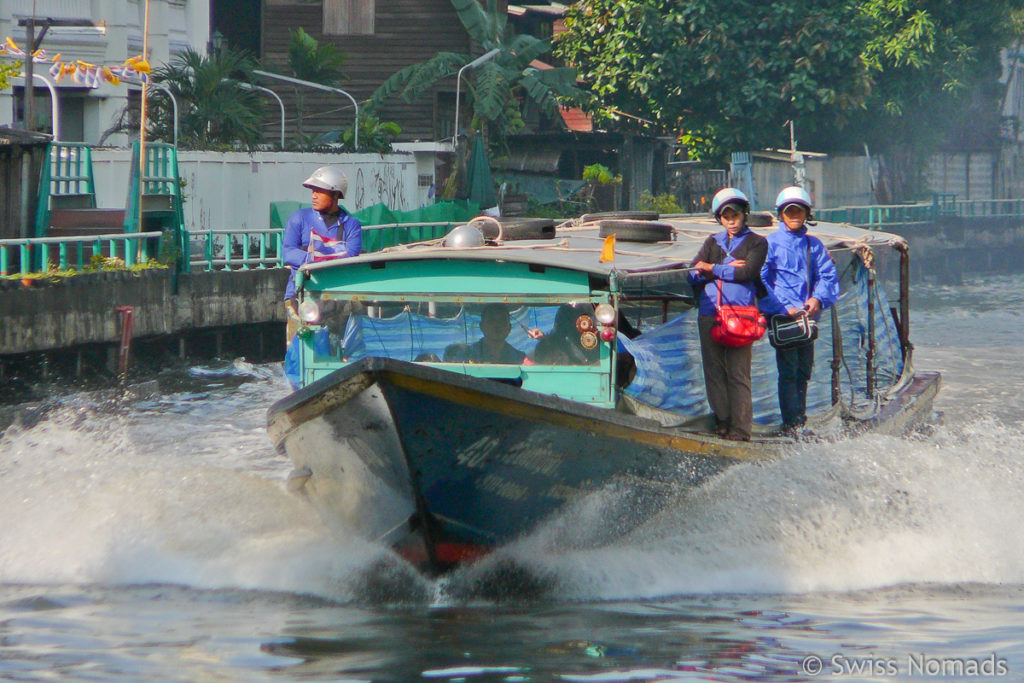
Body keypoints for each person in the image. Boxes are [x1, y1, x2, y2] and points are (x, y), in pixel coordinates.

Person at [687, 187, 768, 441]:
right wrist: (720, 269)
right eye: (726, 216)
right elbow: (692, 273)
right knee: (713, 370)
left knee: (737, 373)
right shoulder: (712, 242)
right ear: (719, 219)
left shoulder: (758, 243)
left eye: (735, 214)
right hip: (710, 313)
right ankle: (722, 421)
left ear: (744, 214)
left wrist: (711, 268)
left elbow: (748, 272)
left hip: (741, 316)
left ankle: (741, 429)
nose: (731, 220)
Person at [759, 186, 840, 433]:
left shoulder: (813, 245)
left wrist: (817, 299)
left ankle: (800, 420)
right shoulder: (769, 244)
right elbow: (760, 281)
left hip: (808, 318)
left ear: (807, 214)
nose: (794, 215)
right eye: (789, 211)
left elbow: (827, 275)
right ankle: (791, 424)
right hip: (782, 318)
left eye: (799, 211)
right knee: (788, 371)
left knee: (804, 370)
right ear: (781, 214)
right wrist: (784, 307)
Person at [282, 166, 363, 339]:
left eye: (319, 191)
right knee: (300, 346)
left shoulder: (351, 225)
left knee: (337, 345)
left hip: (336, 297)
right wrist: (314, 257)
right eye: (313, 191)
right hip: (301, 296)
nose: (314, 195)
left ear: (336, 195)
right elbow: (288, 253)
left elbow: (352, 255)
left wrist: (319, 257)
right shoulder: (299, 218)